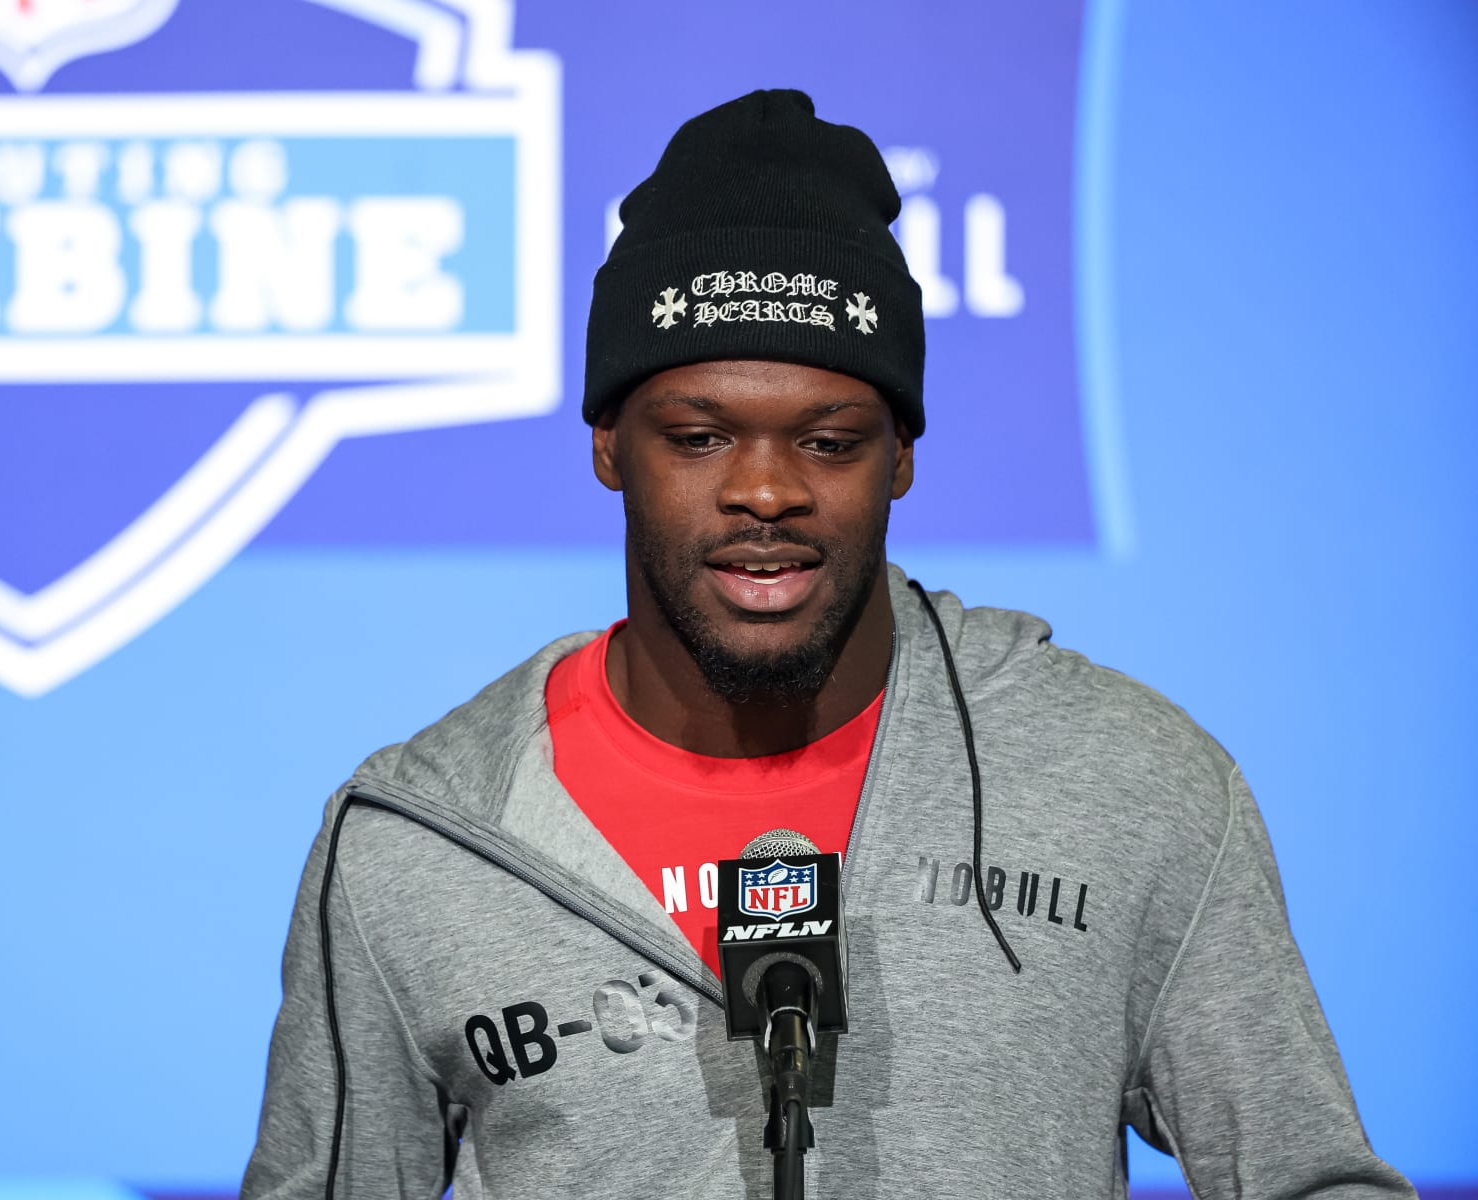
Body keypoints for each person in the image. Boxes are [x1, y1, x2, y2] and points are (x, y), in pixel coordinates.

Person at [240, 89, 1412, 1199]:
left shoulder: (1131, 783)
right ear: (608, 444)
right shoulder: (419, 842)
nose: (763, 490)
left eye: (830, 440)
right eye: (698, 437)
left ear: (902, 454)